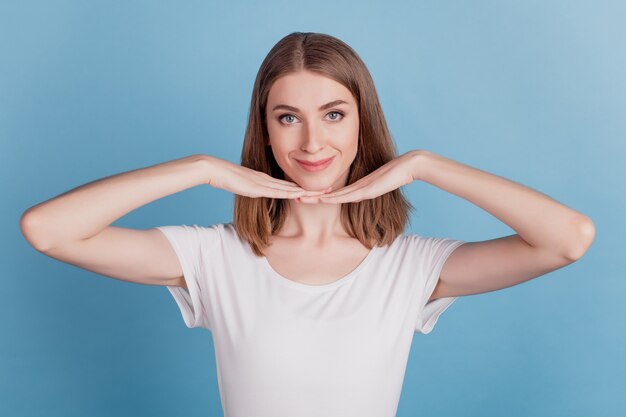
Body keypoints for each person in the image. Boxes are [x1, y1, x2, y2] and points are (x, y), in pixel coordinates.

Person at [20, 32, 595, 417]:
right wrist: (200, 170)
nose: (312, 141)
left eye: (334, 115)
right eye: (288, 117)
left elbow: (569, 239)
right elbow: (48, 229)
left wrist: (424, 166)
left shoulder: (410, 266)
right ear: (265, 132)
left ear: (361, 125)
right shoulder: (213, 257)